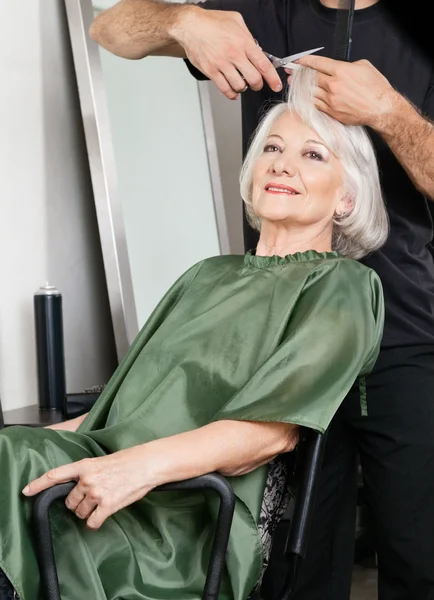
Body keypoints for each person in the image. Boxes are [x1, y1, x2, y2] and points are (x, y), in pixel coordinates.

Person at [89, 1, 434, 599]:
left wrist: (387, 110)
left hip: (401, 335)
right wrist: (182, 22)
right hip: (284, 337)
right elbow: (109, 30)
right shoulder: (263, 15)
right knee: (287, 566)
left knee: (418, 554)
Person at [0, 67, 386, 600]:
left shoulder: (343, 286)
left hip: (183, 519)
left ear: (346, 198)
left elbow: (267, 435)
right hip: (99, 479)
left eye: (312, 155)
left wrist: (129, 470)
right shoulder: (206, 275)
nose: (282, 163)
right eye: (273, 148)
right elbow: (116, 413)